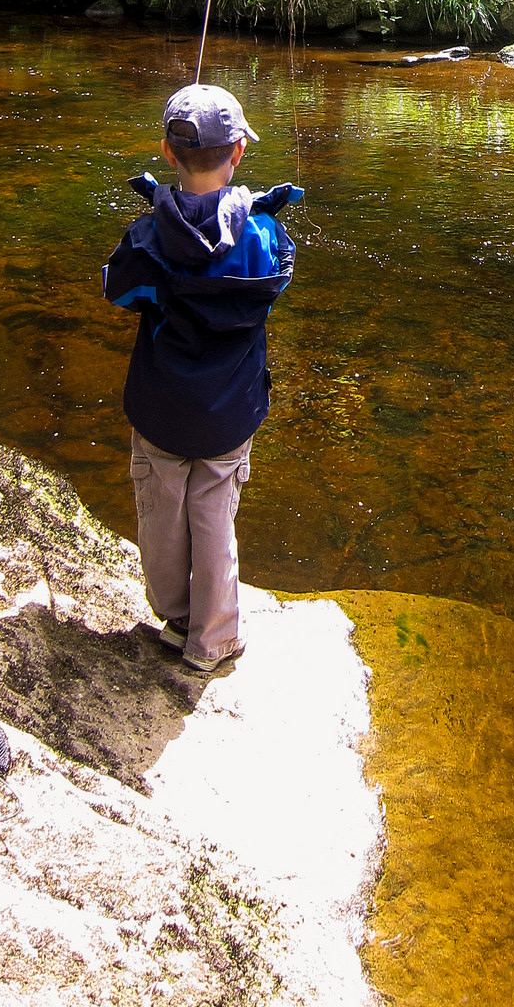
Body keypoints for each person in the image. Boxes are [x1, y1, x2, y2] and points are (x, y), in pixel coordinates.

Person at [102, 83, 302, 673]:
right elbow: (277, 281)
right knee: (214, 514)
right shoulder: (263, 235)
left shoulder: (146, 238)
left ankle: (178, 618)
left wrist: (160, 217)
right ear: (238, 152)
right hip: (230, 410)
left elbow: (119, 292)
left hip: (161, 408)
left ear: (167, 152)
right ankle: (213, 640)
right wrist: (246, 208)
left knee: (161, 510)